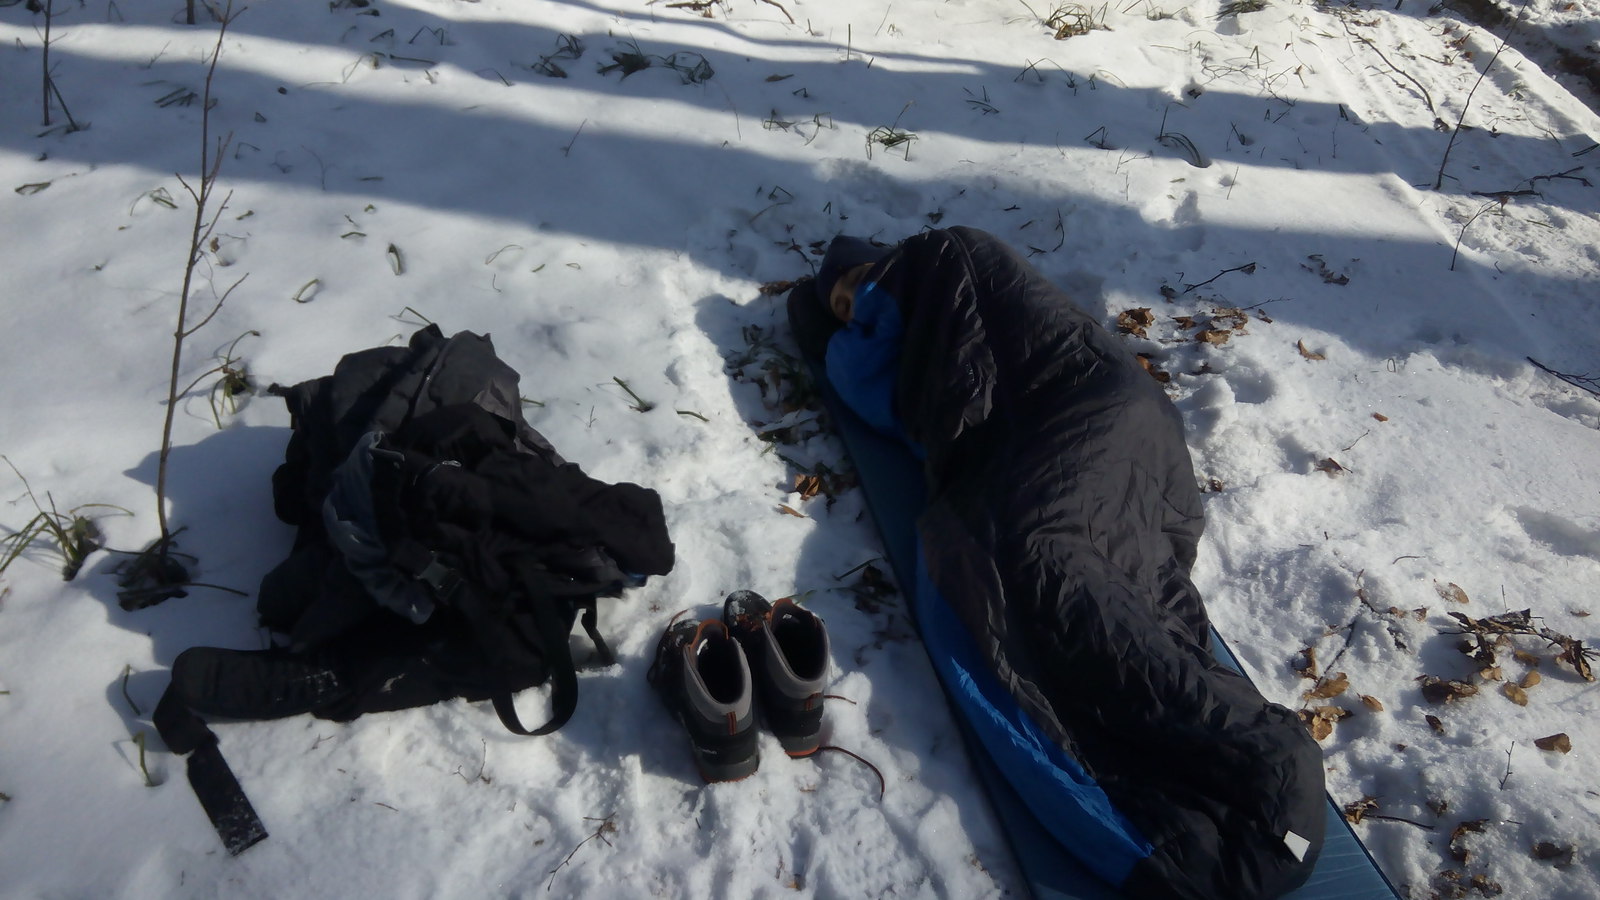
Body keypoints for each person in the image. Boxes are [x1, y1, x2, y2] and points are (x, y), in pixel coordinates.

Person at [787, 229, 1327, 900]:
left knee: (1015, 556)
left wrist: (830, 325)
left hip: (1084, 416)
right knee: (1118, 583)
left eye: (851, 291)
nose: (853, 310)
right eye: (841, 309)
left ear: (879, 265)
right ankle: (1232, 777)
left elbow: (862, 375)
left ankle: (1261, 761)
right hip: (1128, 427)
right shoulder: (930, 330)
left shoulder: (944, 258)